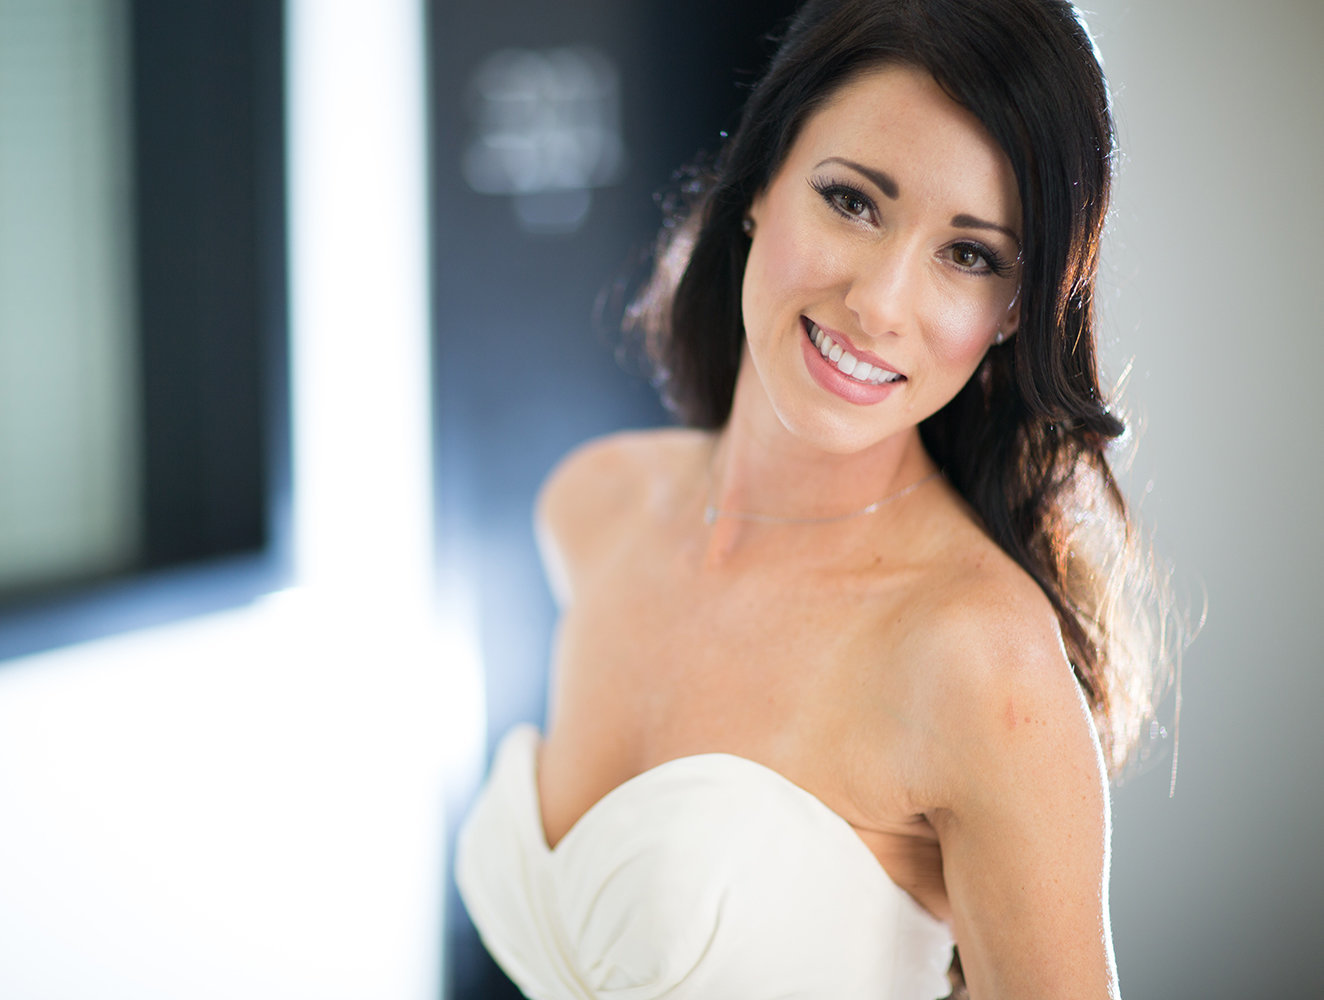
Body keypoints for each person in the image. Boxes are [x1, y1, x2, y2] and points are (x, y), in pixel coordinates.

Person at [456, 1, 1170, 997]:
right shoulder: (595, 506)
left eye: (968, 255)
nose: (880, 303)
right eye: (853, 201)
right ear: (760, 182)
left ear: (1012, 311)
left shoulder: (978, 661)